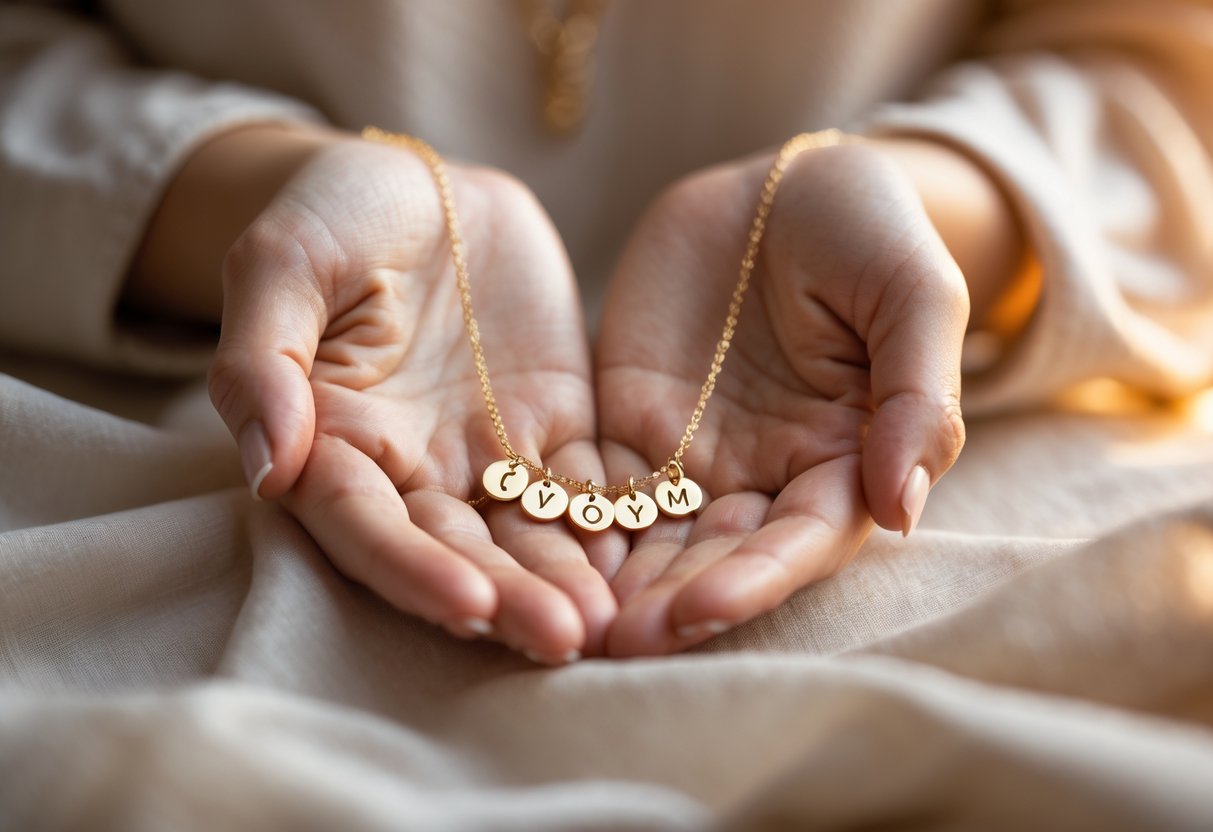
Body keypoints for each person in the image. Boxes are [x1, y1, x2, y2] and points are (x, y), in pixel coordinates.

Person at [2, 0, 1211, 673]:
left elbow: (1164, 77)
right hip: (129, 449)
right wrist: (241, 196)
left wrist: (942, 205)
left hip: (974, 475)